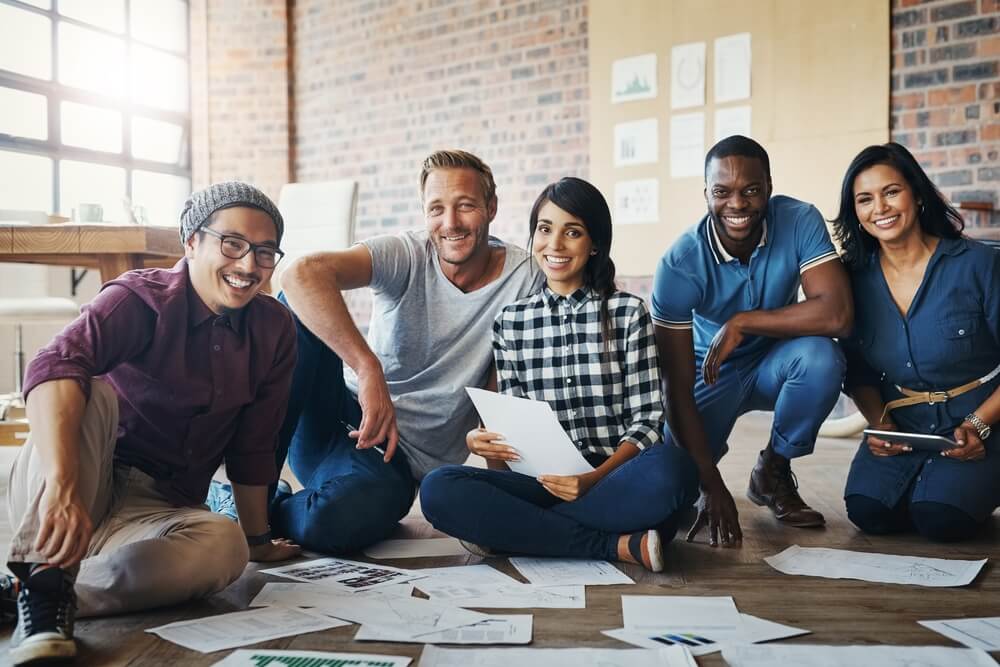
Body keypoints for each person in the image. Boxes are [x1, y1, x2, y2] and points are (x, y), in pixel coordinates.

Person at [1, 182, 301, 665]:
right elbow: (51, 365)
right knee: (87, 389)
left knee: (226, 548)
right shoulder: (138, 298)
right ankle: (43, 592)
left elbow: (253, 443)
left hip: (156, 508)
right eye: (232, 244)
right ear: (191, 243)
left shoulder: (274, 328)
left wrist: (257, 540)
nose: (248, 265)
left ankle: (31, 587)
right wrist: (62, 485)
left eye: (264, 252)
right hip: (77, 479)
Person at [234, 149, 543, 554]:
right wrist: (367, 369)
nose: (450, 223)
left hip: (395, 462)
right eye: (436, 208)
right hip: (337, 415)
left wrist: (497, 489)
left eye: (465, 206)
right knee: (292, 312)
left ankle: (249, 506)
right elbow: (298, 274)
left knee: (330, 522)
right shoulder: (406, 253)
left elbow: (499, 389)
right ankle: (252, 510)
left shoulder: (525, 278)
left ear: (491, 208)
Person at [419, 177, 699, 570]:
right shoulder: (511, 322)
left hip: (613, 482)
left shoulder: (628, 313)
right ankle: (613, 545)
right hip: (539, 484)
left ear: (595, 243)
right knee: (438, 489)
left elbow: (647, 423)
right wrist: (481, 441)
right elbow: (511, 424)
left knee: (675, 471)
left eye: (573, 232)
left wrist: (591, 480)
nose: (555, 245)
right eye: (545, 229)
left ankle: (516, 533)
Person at [652, 135, 853, 547]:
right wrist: (710, 482)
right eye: (722, 192)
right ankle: (698, 478)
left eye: (751, 190)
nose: (738, 204)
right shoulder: (679, 263)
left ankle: (772, 472)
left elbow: (838, 315)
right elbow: (674, 384)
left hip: (775, 358)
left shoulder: (798, 220)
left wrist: (743, 322)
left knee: (821, 358)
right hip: (709, 373)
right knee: (673, 494)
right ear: (706, 194)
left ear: (769, 188)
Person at [832, 142, 1000, 542]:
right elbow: (857, 370)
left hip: (982, 421)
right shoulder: (853, 279)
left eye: (891, 192)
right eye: (865, 199)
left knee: (940, 519)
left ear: (917, 195)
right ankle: (939, 487)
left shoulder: (979, 265)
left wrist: (979, 425)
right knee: (868, 511)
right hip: (905, 426)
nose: (881, 208)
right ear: (855, 212)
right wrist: (880, 424)